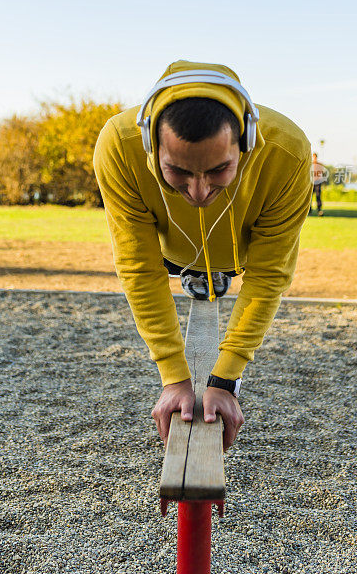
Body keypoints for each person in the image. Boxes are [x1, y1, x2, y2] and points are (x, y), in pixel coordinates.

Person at [93, 60, 312, 452]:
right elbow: (139, 268)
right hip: (170, 251)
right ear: (149, 145)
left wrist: (226, 379)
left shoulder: (287, 153)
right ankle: (196, 273)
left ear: (245, 142)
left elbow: (269, 275)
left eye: (218, 170)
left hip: (238, 251)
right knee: (177, 266)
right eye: (177, 171)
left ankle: (214, 275)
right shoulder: (118, 147)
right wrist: (174, 378)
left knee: (231, 274)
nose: (197, 192)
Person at [311, 152, 327, 216]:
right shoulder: (310, 165)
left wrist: (324, 183)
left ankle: (319, 210)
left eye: (315, 157)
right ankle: (309, 210)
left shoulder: (319, 165)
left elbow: (323, 174)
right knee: (310, 198)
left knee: (318, 196)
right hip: (311, 183)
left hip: (318, 183)